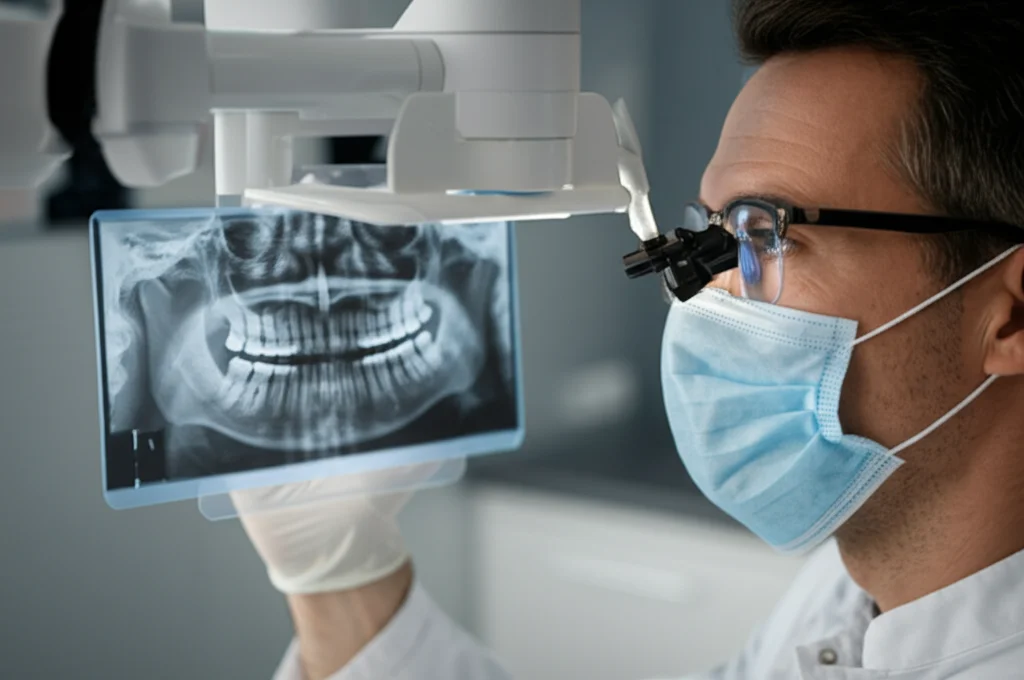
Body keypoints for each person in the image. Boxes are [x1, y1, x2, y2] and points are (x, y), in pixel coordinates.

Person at [237, 1, 1024, 678]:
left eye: (767, 233)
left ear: (1011, 315)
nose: (706, 289)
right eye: (712, 232)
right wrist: (338, 572)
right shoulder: (848, 602)